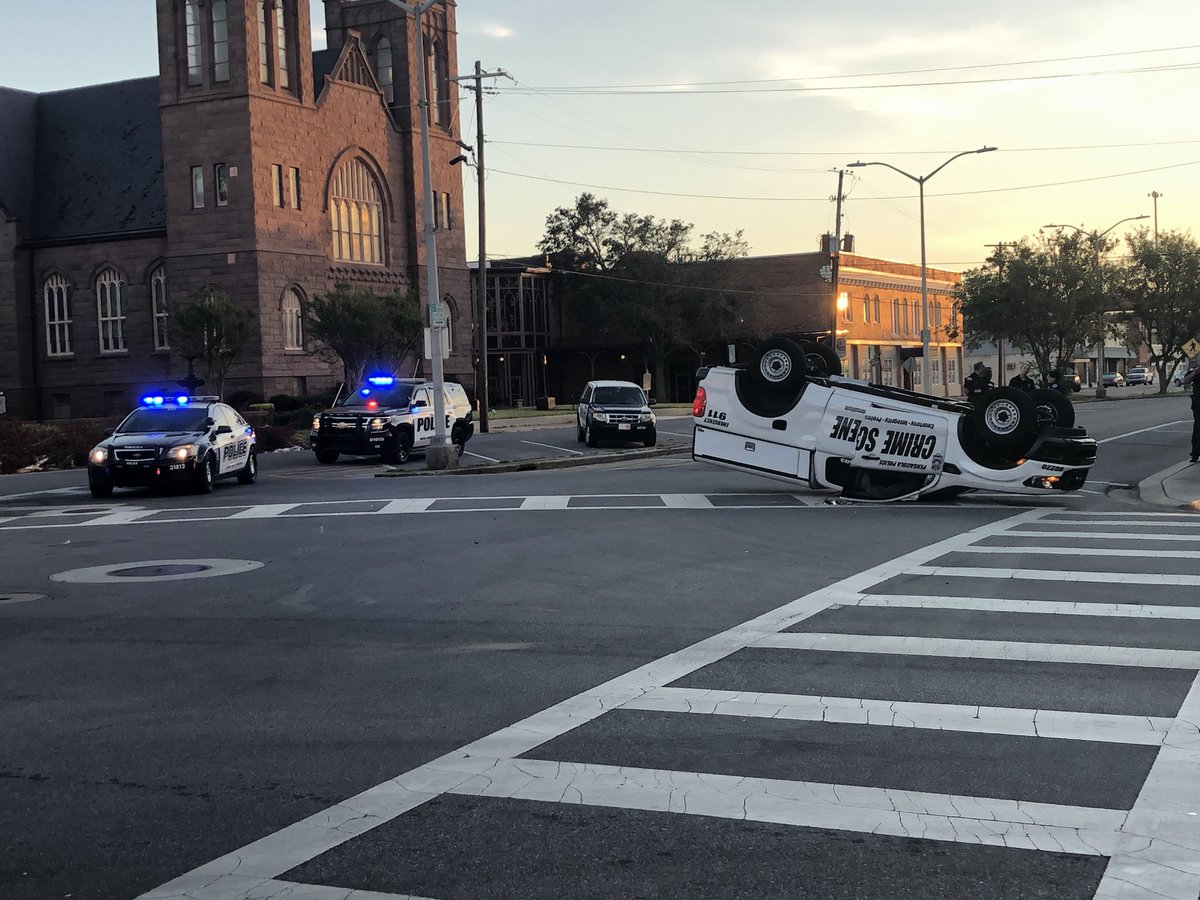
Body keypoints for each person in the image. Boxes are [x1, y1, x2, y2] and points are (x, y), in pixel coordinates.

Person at [1184, 366, 1200, 463]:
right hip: (1198, 403)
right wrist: (1195, 372)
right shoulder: (1195, 371)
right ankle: (1195, 453)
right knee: (1198, 429)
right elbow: (1186, 381)